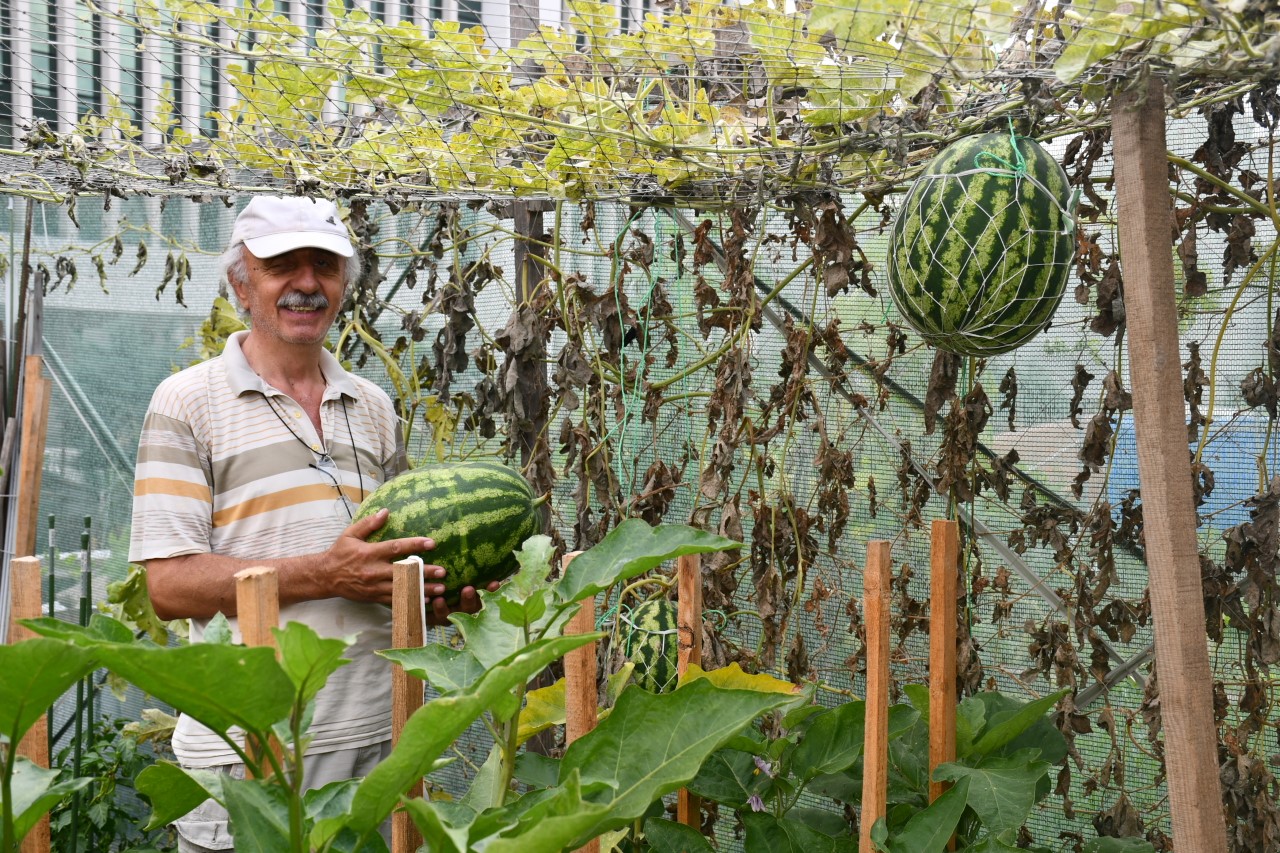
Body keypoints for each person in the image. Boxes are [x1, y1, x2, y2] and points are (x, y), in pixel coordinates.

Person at [129, 195, 490, 852]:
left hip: (382, 737)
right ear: (242, 283)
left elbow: (378, 566)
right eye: (281, 266)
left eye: (323, 265)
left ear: (344, 284)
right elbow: (170, 584)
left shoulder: (373, 406)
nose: (306, 283)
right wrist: (324, 573)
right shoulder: (186, 403)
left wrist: (437, 600)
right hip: (250, 745)